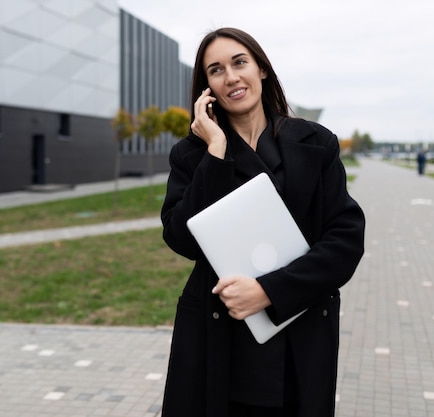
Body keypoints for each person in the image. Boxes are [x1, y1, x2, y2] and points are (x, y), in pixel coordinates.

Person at [160, 27, 365, 417]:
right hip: (218, 339)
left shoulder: (315, 144)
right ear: (208, 88)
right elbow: (181, 238)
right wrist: (216, 154)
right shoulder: (192, 154)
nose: (231, 76)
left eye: (240, 62)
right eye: (216, 70)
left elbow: (345, 241)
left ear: (262, 69)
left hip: (298, 340)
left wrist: (270, 291)